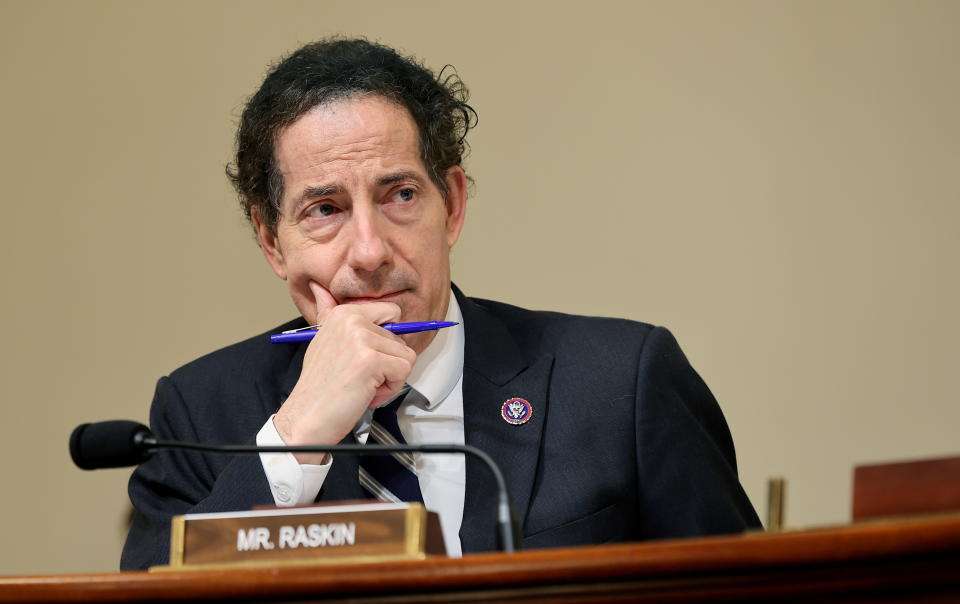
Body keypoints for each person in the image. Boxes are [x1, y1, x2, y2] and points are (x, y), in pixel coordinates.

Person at [120, 38, 760, 571]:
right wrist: (296, 436)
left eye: (399, 195)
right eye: (325, 210)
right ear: (270, 240)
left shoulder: (622, 381)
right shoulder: (197, 414)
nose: (369, 252)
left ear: (451, 204)